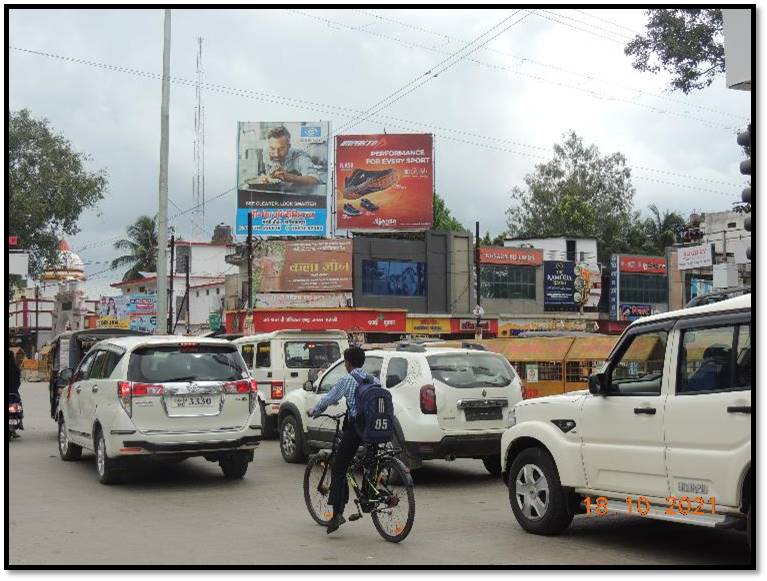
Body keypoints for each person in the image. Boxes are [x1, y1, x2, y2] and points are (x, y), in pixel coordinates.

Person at [307, 346, 370, 534]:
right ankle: (369, 495)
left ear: (347, 363)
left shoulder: (347, 379)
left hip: (355, 429)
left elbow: (329, 398)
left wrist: (315, 411)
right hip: (374, 429)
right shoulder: (372, 379)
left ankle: (336, 515)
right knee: (369, 462)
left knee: (339, 467)